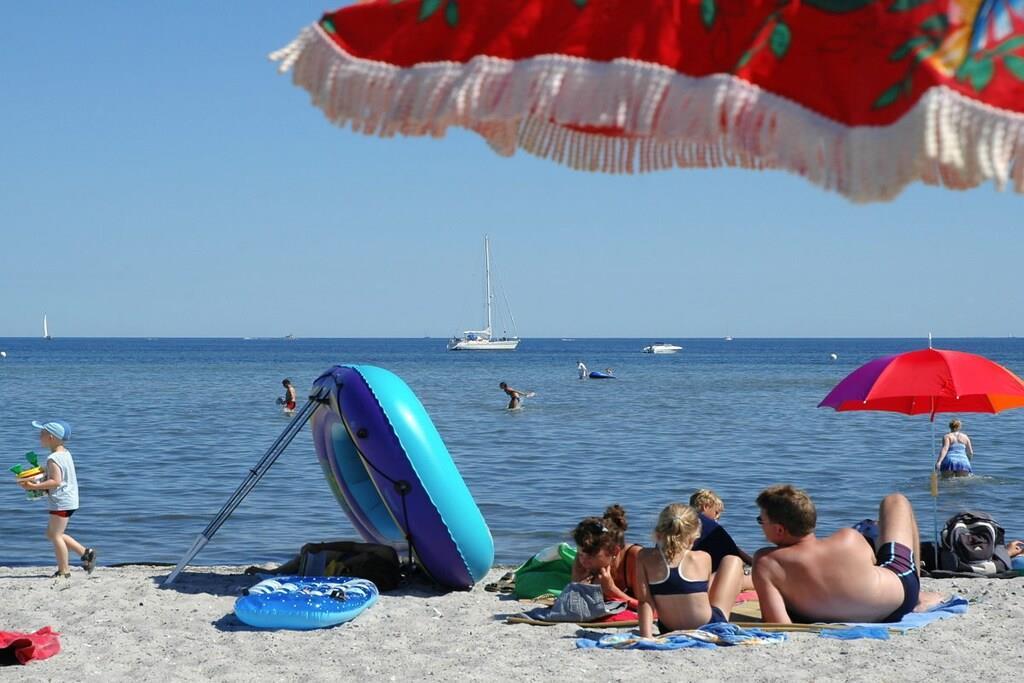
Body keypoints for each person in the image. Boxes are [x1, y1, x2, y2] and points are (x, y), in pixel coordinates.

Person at [752, 484, 942, 624]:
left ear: (779, 529)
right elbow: (874, 563)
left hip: (818, 615)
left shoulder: (766, 562)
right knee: (896, 501)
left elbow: (779, 624)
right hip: (897, 603)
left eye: (761, 520)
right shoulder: (848, 538)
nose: (760, 524)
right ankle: (918, 595)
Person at [636, 504, 744, 637]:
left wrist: (646, 637)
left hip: (668, 628)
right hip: (708, 626)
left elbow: (645, 601)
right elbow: (704, 594)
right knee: (732, 561)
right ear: (694, 534)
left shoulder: (644, 557)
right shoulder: (703, 557)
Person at [17, 421, 97, 583]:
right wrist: (41, 472)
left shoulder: (53, 458)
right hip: (68, 499)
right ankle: (85, 553)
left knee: (55, 535)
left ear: (51, 437)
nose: (39, 437)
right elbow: (58, 475)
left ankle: (64, 570)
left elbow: (55, 481)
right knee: (52, 533)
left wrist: (33, 486)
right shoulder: (65, 453)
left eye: (42, 434)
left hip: (62, 502)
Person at [571, 505, 643, 610]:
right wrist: (580, 587)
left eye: (591, 555)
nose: (584, 561)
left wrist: (611, 590)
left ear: (614, 551)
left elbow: (654, 609)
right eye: (580, 554)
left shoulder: (635, 559)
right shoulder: (582, 559)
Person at [689, 489, 754, 568]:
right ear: (705, 507)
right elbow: (732, 550)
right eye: (716, 512)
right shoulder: (710, 526)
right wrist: (752, 563)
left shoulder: (684, 521)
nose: (718, 517)